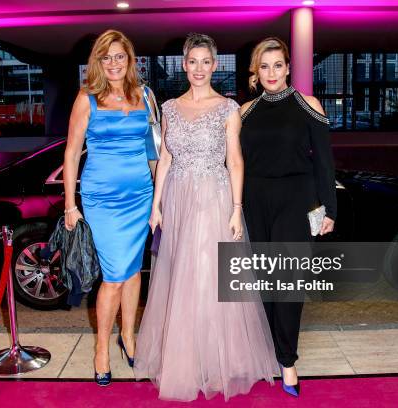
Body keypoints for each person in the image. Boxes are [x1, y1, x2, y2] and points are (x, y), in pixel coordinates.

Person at [134, 33, 278, 401]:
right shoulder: (167, 108)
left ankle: (217, 362)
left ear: (215, 66)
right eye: (192, 61)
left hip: (214, 198)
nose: (198, 68)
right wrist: (156, 206)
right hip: (177, 198)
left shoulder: (228, 108)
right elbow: (164, 159)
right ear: (184, 65)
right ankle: (185, 359)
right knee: (179, 277)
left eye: (205, 62)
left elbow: (235, 161)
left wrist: (236, 208)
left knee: (209, 278)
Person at [239, 37, 337, 397]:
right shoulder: (245, 112)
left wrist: (328, 209)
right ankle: (269, 352)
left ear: (288, 67)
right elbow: (236, 163)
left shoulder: (308, 105)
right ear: (256, 70)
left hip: (297, 199)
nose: (271, 73)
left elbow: (324, 162)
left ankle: (287, 361)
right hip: (254, 199)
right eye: (264, 66)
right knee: (263, 282)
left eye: (277, 65)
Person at [63, 29, 153, 386]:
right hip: (102, 199)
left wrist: (158, 199)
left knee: (133, 273)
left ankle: (128, 336)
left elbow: (152, 150)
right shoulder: (87, 97)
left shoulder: (145, 94)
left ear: (130, 60)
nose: (114, 63)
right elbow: (71, 153)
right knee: (114, 277)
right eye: (106, 57)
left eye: (120, 56)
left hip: (140, 196)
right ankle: (102, 346)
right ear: (97, 62)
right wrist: (71, 204)